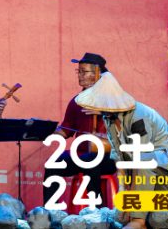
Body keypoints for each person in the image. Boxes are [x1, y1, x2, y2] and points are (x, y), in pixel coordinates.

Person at [75, 71, 168, 229]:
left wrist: (134, 208)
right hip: (150, 168)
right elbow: (120, 159)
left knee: (140, 214)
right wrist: (124, 192)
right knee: (156, 221)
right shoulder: (109, 118)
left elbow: (140, 159)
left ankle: (139, 220)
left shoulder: (138, 116)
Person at [43, 52, 117, 205]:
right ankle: (51, 210)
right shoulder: (76, 102)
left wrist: (104, 112)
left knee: (90, 160)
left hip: (109, 156)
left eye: (85, 72)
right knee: (53, 163)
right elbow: (66, 130)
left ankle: (98, 210)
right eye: (79, 71)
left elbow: (125, 125)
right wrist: (49, 132)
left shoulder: (114, 99)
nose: (80, 76)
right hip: (81, 153)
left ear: (98, 74)